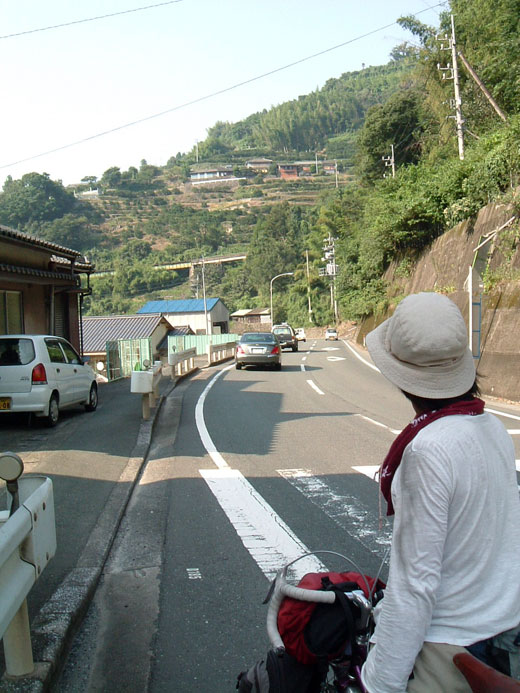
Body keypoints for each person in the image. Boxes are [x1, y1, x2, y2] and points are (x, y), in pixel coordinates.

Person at [360, 292, 520, 692]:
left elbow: (416, 587)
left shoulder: (427, 451)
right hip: (505, 635)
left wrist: (379, 683)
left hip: (450, 646)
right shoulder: (492, 427)